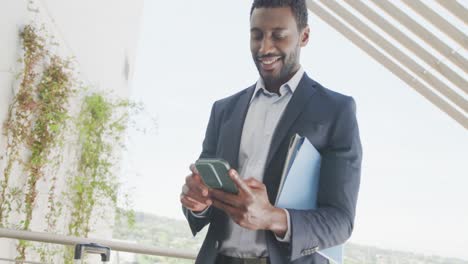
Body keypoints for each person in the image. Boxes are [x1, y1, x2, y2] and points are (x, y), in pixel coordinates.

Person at [180, 0, 362, 263]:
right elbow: (203, 199)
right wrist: (197, 202)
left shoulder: (335, 111)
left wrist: (271, 217)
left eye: (278, 35)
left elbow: (341, 221)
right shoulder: (224, 111)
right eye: (257, 35)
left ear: (304, 36)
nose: (265, 47)